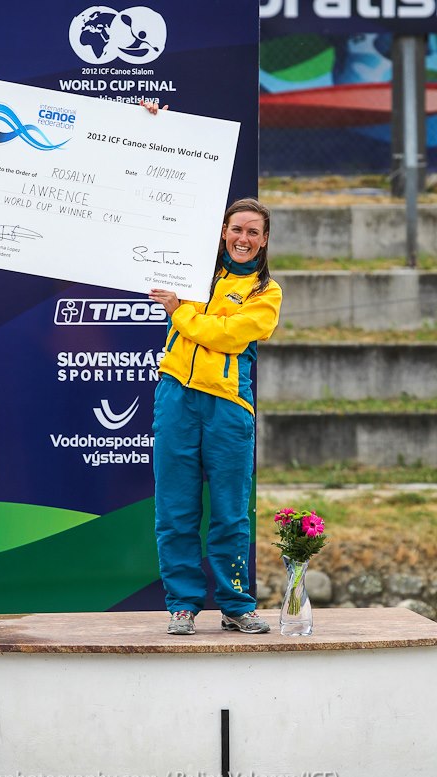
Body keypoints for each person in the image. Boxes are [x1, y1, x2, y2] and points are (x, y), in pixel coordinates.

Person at [144, 103, 282, 635]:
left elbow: (227, 336)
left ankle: (236, 605)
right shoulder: (191, 265)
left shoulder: (267, 292)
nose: (243, 238)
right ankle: (181, 605)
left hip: (229, 407)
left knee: (230, 513)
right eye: (236, 229)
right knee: (175, 510)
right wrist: (153, 126)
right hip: (176, 396)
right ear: (222, 231)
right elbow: (163, 196)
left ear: (264, 240)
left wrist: (181, 313)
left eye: (253, 232)